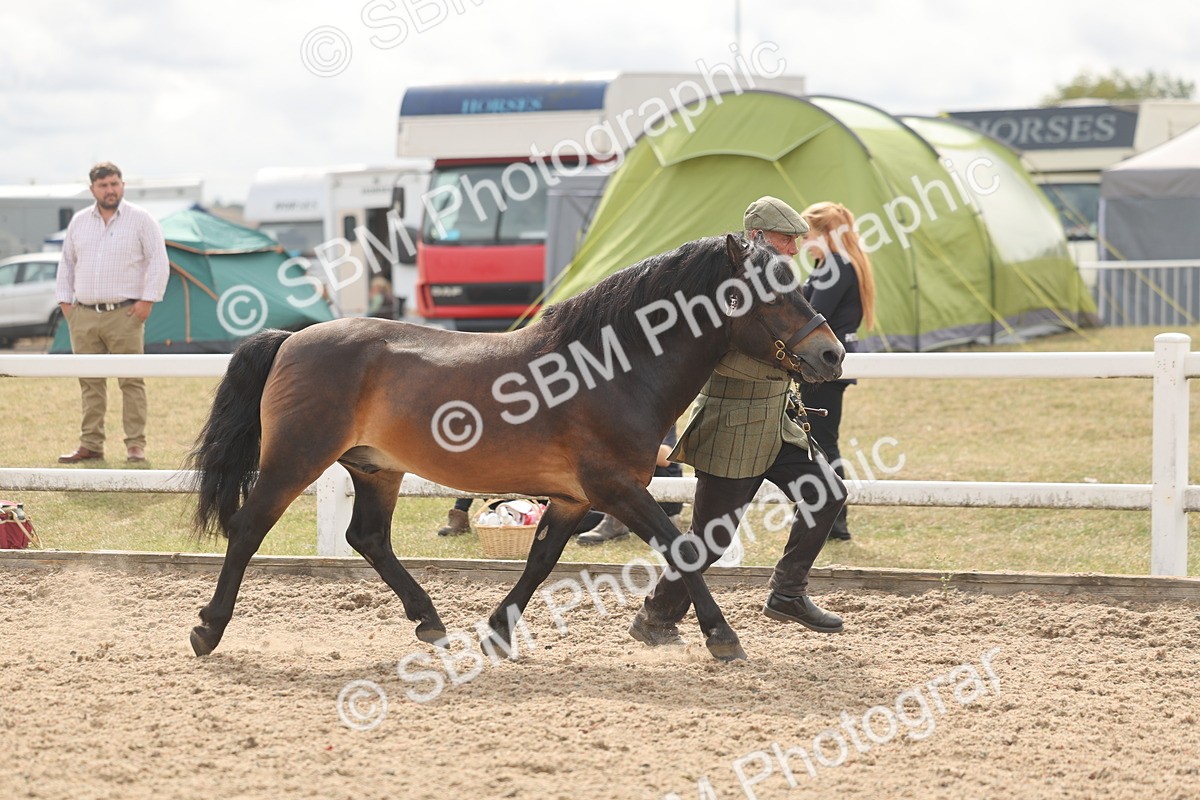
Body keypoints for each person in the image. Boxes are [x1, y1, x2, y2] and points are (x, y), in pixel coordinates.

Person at [627, 195, 846, 647]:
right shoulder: (723, 285)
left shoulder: (780, 279)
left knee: (826, 494)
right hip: (733, 422)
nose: (793, 248)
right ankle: (656, 617)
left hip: (777, 422)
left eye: (796, 240)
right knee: (711, 540)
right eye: (786, 239)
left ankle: (788, 592)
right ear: (756, 236)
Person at [55, 162, 169, 464]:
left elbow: (159, 260)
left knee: (131, 381)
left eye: (115, 183)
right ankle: (91, 444)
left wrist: (147, 301)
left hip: (125, 315)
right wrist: (67, 306)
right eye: (104, 185)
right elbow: (66, 264)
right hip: (83, 315)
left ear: (122, 185)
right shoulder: (79, 222)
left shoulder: (141, 219)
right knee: (90, 383)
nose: (110, 190)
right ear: (92, 189)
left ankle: (135, 446)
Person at [798, 202, 876, 541]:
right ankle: (824, 513)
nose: (803, 242)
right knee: (819, 440)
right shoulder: (828, 265)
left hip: (826, 367)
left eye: (808, 234)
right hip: (825, 365)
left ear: (826, 234)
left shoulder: (836, 267)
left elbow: (813, 313)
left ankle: (833, 518)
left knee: (823, 441)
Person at [576, 428, 685, 545]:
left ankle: (621, 522)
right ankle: (628, 521)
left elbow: (665, 458)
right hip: (621, 497)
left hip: (661, 493)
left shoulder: (653, 415)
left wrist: (624, 441)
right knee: (574, 516)